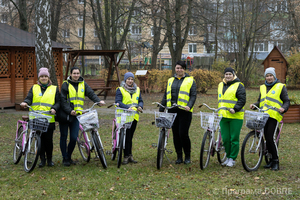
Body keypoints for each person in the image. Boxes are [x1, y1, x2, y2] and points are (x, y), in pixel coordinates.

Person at [59, 67, 105, 166]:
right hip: (65, 115)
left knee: (73, 137)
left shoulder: (83, 84)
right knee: (63, 137)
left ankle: (69, 156)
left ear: (80, 74)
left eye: (77, 73)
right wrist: (70, 111)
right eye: (74, 73)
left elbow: (91, 93)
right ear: (70, 74)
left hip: (76, 115)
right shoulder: (65, 84)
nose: (76, 75)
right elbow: (62, 100)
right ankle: (65, 158)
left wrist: (98, 101)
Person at [250, 67, 289, 171]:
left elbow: (286, 101)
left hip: (274, 115)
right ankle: (270, 160)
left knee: (270, 137)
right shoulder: (262, 87)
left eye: (271, 75)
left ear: (274, 76)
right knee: (266, 139)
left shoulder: (280, 87)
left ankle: (275, 161)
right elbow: (260, 101)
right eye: (267, 76)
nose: (269, 77)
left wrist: (283, 108)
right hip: (263, 115)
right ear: (265, 77)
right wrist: (255, 105)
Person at [20, 67, 60, 167]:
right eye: (42, 76)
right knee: (40, 140)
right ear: (39, 78)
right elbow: (29, 98)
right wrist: (25, 102)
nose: (43, 78)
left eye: (45, 76)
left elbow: (58, 101)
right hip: (36, 117)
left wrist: (55, 108)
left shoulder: (54, 89)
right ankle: (42, 159)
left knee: (48, 140)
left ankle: (50, 159)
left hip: (49, 118)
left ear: (48, 77)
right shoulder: (34, 87)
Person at [159, 60, 197, 164]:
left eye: (181, 68)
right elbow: (166, 94)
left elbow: (193, 95)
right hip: (172, 110)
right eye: (177, 68)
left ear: (184, 69)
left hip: (185, 111)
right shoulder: (170, 80)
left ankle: (187, 156)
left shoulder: (190, 80)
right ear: (175, 69)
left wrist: (189, 106)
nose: (179, 70)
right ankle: (179, 156)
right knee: (175, 134)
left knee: (183, 134)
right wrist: (162, 107)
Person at [218, 67, 246, 167]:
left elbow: (242, 100)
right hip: (223, 116)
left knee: (234, 138)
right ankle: (228, 156)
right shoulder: (220, 85)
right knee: (225, 139)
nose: (228, 76)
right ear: (224, 75)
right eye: (226, 74)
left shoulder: (239, 85)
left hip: (235, 116)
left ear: (234, 75)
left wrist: (235, 109)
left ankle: (232, 158)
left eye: (230, 74)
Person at [115, 72, 143, 164]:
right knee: (126, 136)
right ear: (125, 80)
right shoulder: (120, 89)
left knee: (130, 137)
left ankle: (130, 155)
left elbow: (140, 100)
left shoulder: (137, 89)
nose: (130, 81)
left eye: (132, 79)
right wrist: (127, 107)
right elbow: (118, 102)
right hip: (124, 116)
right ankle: (126, 156)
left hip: (134, 116)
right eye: (128, 79)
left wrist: (140, 106)